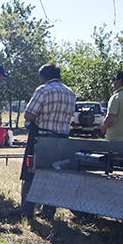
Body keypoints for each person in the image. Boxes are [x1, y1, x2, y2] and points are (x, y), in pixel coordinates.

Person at [18, 64, 76, 218]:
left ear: (43, 77)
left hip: (42, 138)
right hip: (62, 140)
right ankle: (48, 210)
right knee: (54, 175)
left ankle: (26, 208)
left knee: (31, 173)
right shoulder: (70, 93)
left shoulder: (43, 90)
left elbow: (29, 116)